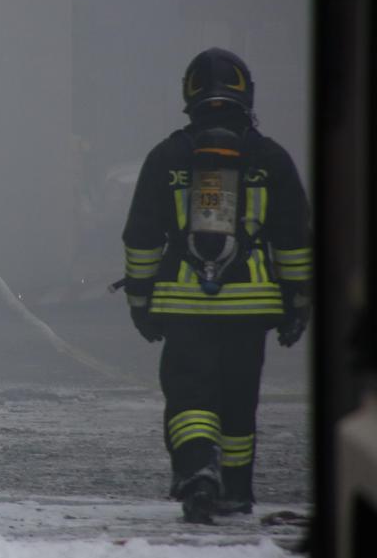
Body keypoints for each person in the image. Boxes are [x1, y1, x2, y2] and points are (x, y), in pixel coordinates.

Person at [121, 48, 312, 524]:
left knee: (189, 397)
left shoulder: (167, 156)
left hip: (184, 307)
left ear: (188, 95)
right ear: (247, 93)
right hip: (251, 310)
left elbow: (141, 237)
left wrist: (141, 300)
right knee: (238, 402)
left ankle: (196, 472)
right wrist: (297, 302)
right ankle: (236, 492)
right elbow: (293, 241)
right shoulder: (270, 158)